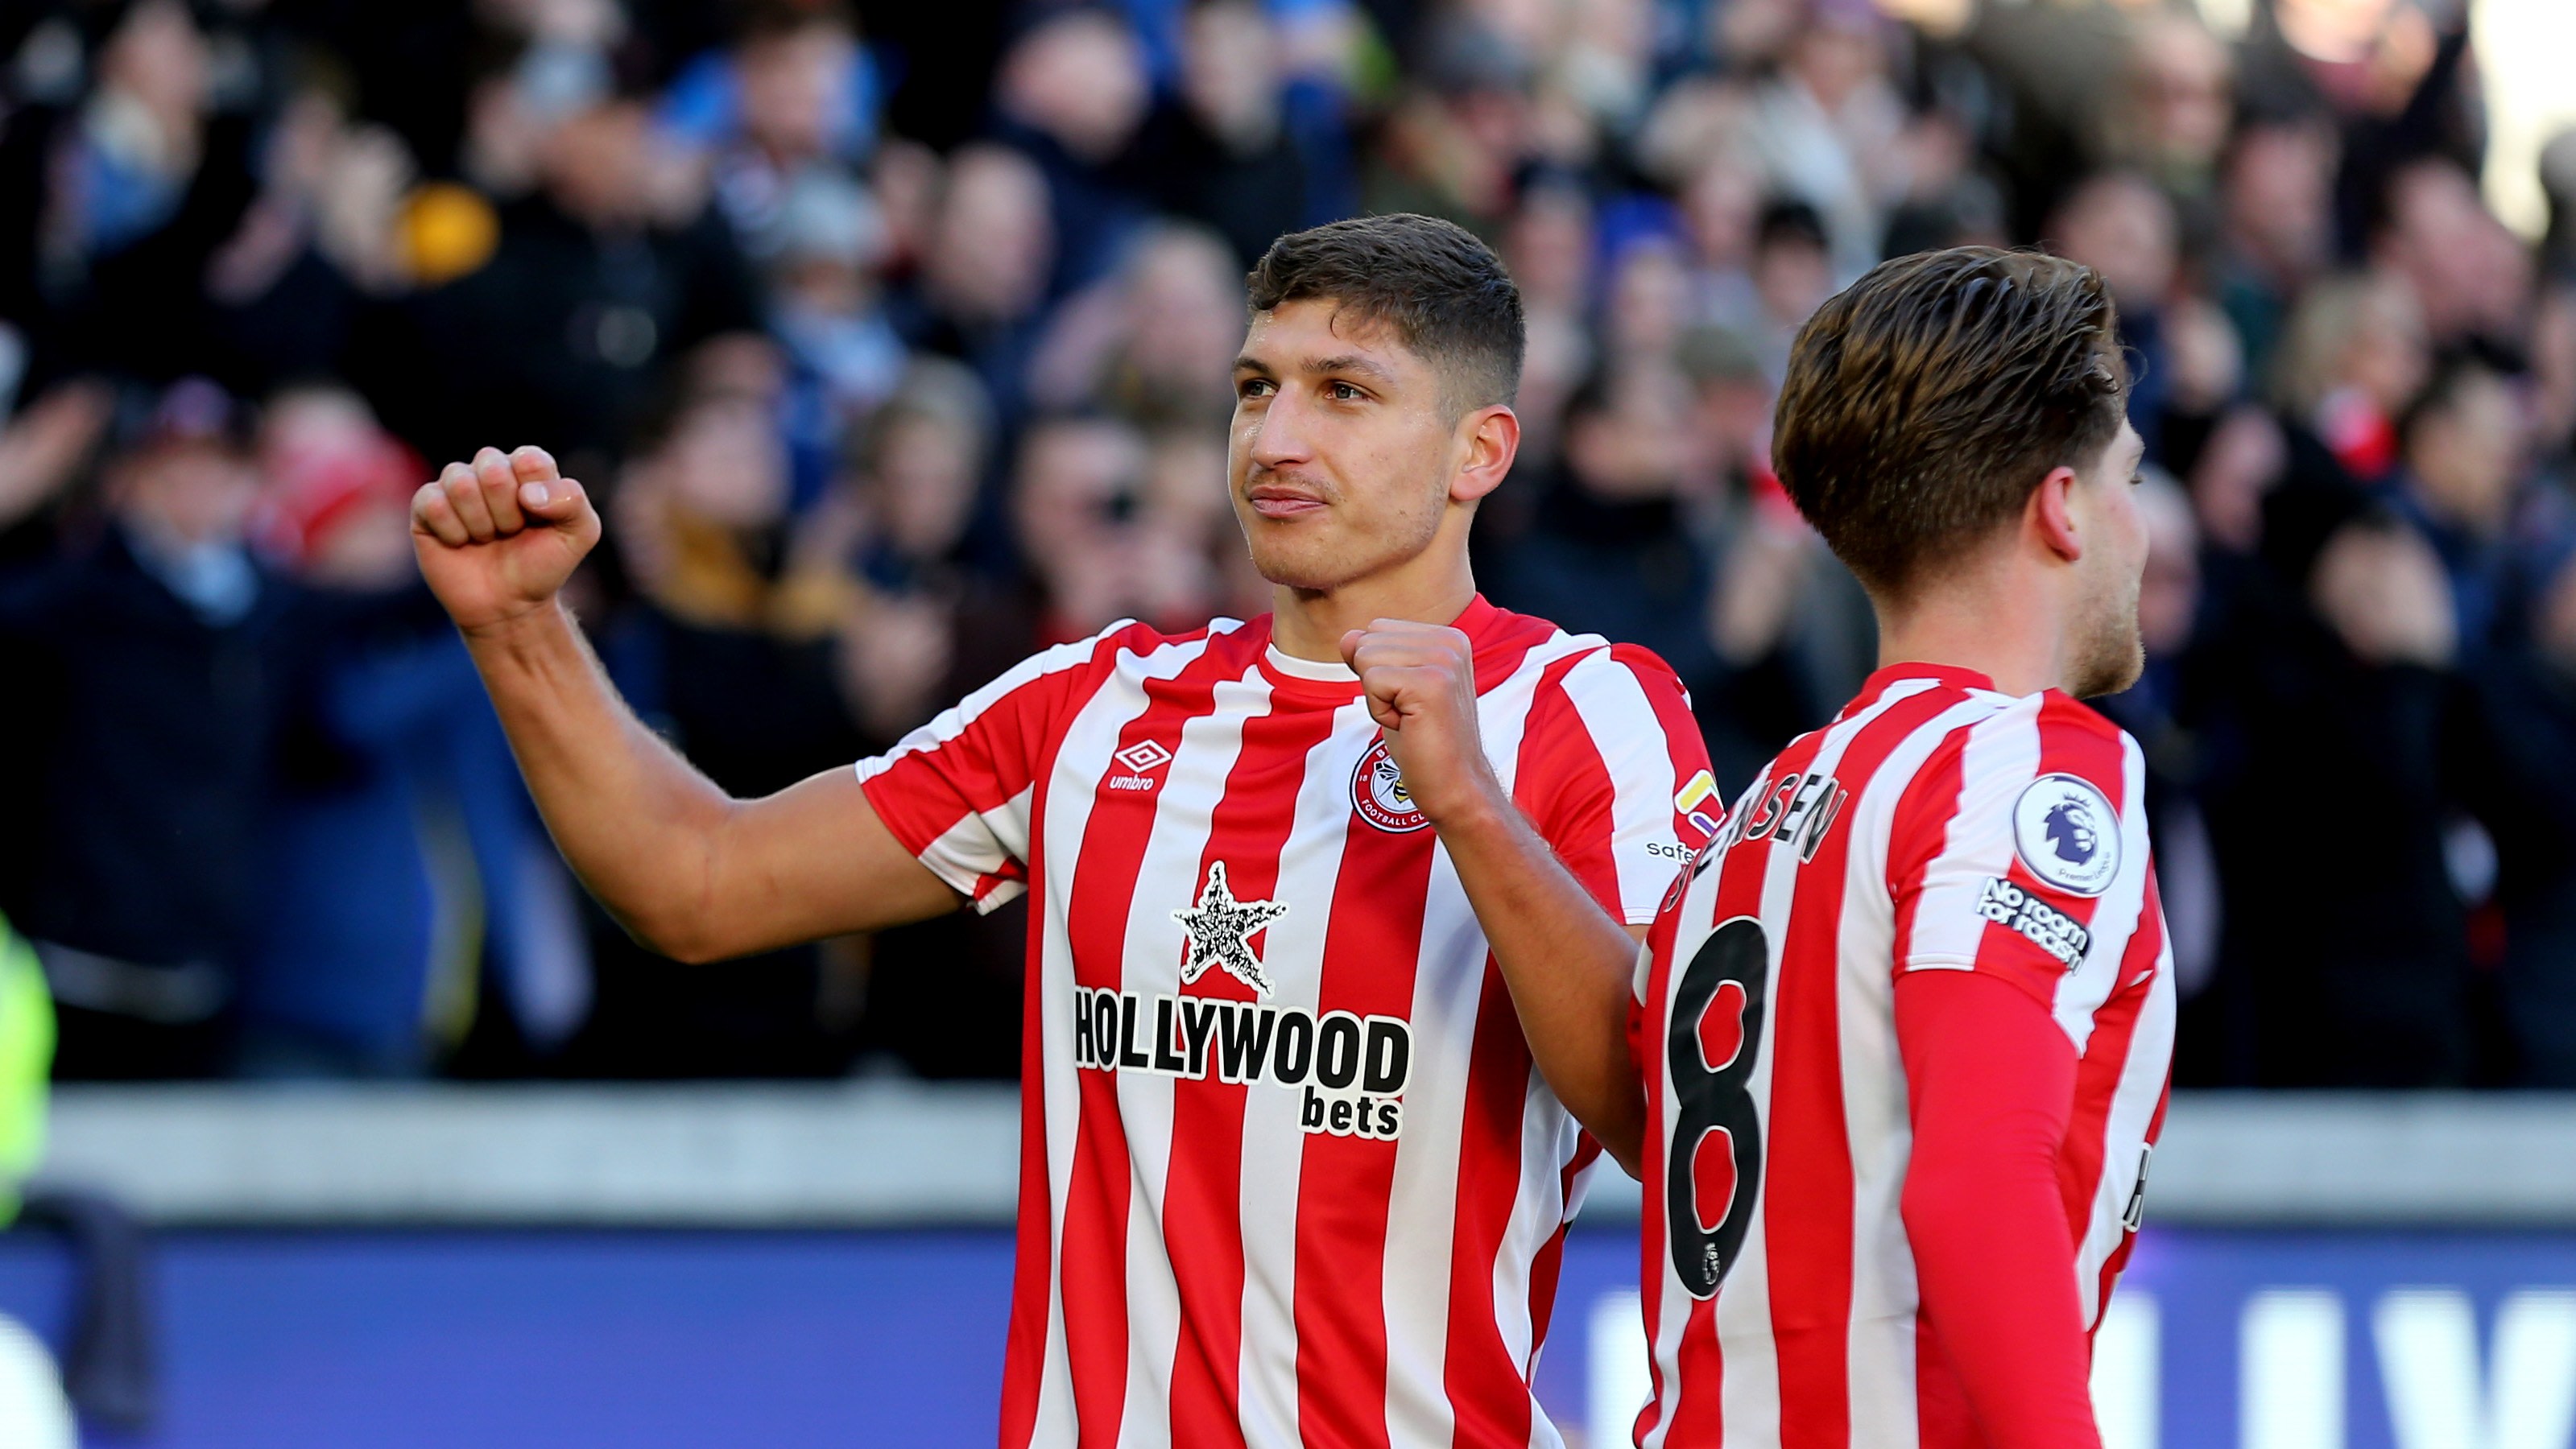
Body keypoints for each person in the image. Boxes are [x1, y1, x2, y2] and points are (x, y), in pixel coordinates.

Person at [407, 213, 1713, 1446]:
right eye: (1256, 388)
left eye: (1346, 393)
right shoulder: (1090, 705)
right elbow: (694, 883)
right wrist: (519, 629)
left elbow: (1673, 1125)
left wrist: (1469, 808)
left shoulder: (1590, 715)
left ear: (1479, 452)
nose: (1274, 440)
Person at [1631, 248, 2171, 1447]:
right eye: (2129, 472)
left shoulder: (1766, 804)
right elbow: (1978, 1174)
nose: (2144, 523)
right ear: (2064, 508)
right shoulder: (2026, 765)